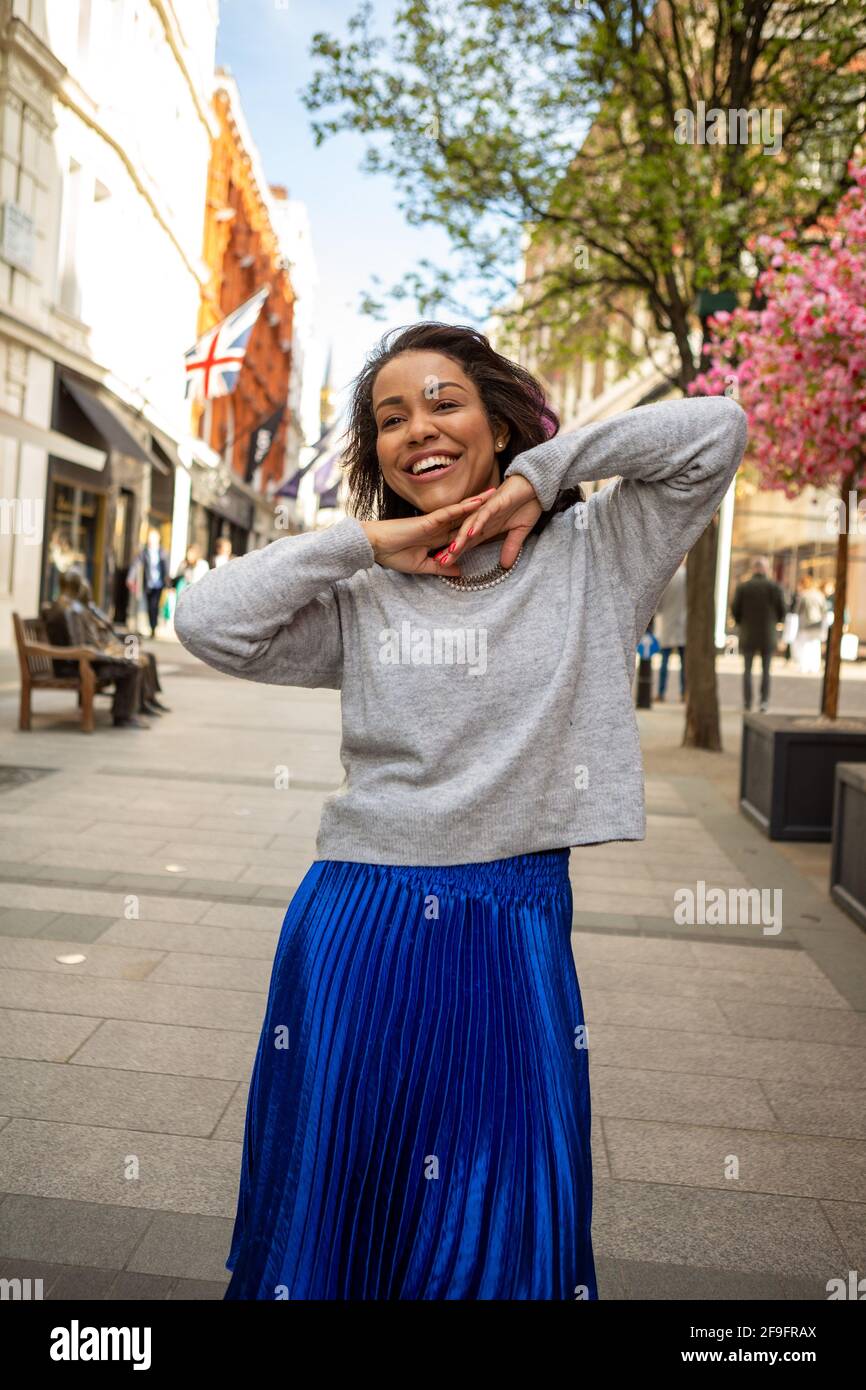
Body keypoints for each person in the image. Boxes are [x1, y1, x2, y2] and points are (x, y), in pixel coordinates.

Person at [175, 322, 748, 1301]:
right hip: (360, 929)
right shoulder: (361, 592)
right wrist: (361, 541)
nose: (418, 430)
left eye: (443, 401)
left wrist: (544, 474)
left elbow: (716, 428)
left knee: (507, 1208)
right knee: (344, 1204)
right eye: (389, 419)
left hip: (515, 922)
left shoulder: (597, 552)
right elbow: (205, 621)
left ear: (495, 420)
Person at [44, 570, 146, 728]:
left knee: (132, 661)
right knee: (131, 666)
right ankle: (123, 716)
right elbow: (79, 648)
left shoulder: (66, 606)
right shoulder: (71, 610)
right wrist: (114, 658)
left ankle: (129, 712)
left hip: (74, 661)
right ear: (77, 587)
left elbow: (86, 642)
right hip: (76, 666)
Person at [78, 578, 170, 716]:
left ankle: (147, 700)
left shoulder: (88, 612)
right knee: (132, 664)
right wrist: (113, 654)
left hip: (101, 650)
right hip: (91, 659)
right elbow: (86, 644)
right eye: (86, 592)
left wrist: (95, 611)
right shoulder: (77, 613)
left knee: (148, 656)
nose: (89, 595)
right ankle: (123, 716)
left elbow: (107, 627)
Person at [731, 556, 787, 711]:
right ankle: (764, 701)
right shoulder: (774, 587)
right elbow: (782, 610)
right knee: (766, 670)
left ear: (753, 569)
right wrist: (775, 622)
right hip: (768, 635)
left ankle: (748, 702)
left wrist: (742, 623)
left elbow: (735, 610)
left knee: (747, 670)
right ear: (766, 569)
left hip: (748, 634)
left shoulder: (743, 587)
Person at [654, 559, 687, 701]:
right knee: (684, 663)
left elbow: (658, 605)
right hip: (684, 623)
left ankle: (661, 693)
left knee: (664, 661)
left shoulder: (667, 577)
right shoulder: (688, 576)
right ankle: (684, 693)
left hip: (668, 622)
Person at [135, 527, 170, 638]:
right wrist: (130, 578)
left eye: (154, 537)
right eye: (150, 537)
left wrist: (168, 583)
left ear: (158, 538)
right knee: (149, 606)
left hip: (159, 584)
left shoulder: (162, 552)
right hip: (148, 584)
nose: (151, 539)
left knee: (154, 605)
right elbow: (136, 565)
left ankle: (154, 627)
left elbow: (166, 568)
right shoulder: (144, 552)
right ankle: (152, 626)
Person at [793, 569, 827, 674]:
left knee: (804, 646)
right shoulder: (819, 595)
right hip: (817, 624)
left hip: (805, 624)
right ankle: (814, 667)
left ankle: (804, 666)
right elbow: (824, 610)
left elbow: (797, 610)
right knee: (815, 646)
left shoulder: (804, 595)